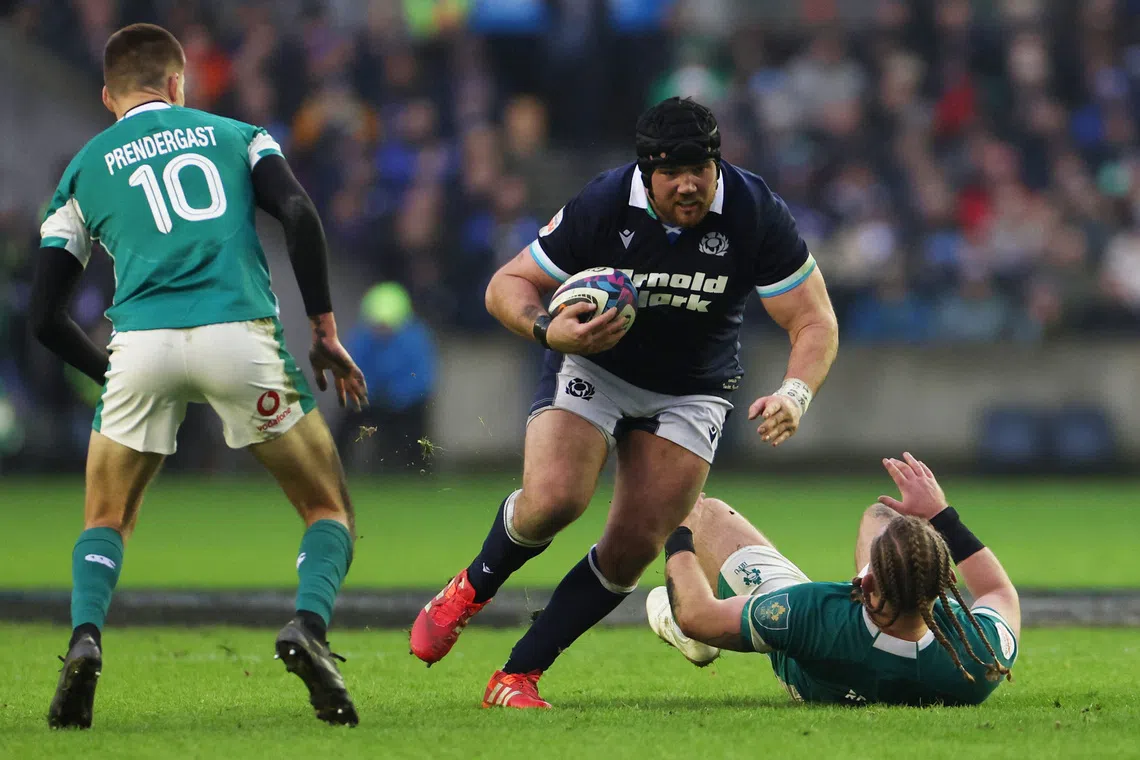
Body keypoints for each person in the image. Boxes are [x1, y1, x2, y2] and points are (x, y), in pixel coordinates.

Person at [410, 96, 839, 708]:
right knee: (554, 501)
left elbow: (815, 320)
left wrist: (796, 394)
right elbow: (507, 284)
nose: (690, 186)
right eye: (673, 173)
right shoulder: (606, 201)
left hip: (694, 386)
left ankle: (516, 676)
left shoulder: (752, 208)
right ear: (645, 171)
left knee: (633, 546)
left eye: (702, 169)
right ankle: (471, 587)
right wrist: (546, 330)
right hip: (595, 363)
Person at [30, 24, 368, 728]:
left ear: (108, 97)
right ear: (178, 83)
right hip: (239, 334)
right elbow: (301, 214)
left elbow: (43, 317)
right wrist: (326, 328)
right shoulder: (237, 134)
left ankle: (85, 640)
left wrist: (112, 375)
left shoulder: (83, 167)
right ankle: (307, 627)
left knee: (107, 518)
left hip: (140, 347)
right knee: (328, 507)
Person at [646, 453, 1019, 706]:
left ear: (867, 583)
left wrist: (679, 527)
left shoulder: (811, 611)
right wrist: (941, 515)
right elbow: (997, 591)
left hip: (816, 668)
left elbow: (698, 616)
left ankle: (677, 627)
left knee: (708, 514)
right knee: (882, 515)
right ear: (946, 580)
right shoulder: (979, 656)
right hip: (871, 650)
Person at [335, 282, 437, 471]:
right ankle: (335, 469)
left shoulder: (415, 339)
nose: (382, 330)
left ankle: (419, 472)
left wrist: (395, 397)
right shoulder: (362, 338)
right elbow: (352, 371)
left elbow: (421, 379)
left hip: (404, 404)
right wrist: (371, 395)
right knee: (345, 426)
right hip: (371, 400)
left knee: (415, 434)